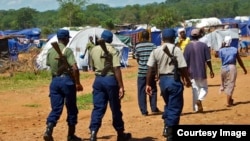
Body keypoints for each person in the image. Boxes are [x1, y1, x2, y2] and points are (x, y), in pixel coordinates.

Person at [146, 28, 191, 141]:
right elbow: (183, 67)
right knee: (175, 107)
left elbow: (150, 69)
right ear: (173, 38)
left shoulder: (156, 50)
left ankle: (167, 126)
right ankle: (170, 133)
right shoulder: (176, 50)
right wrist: (187, 79)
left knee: (169, 104)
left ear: (162, 38)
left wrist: (148, 84)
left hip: (163, 81)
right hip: (174, 80)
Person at [88, 30, 131, 141]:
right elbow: (116, 68)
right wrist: (121, 86)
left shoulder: (93, 50)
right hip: (110, 80)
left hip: (98, 80)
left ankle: (93, 133)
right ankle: (120, 134)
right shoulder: (113, 50)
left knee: (98, 108)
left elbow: (92, 67)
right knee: (115, 108)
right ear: (111, 39)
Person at [43, 29, 83, 141]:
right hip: (67, 81)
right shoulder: (67, 50)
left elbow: (50, 66)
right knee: (71, 108)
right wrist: (78, 83)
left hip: (55, 81)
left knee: (56, 109)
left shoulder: (50, 50)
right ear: (65, 39)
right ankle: (71, 135)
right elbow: (75, 68)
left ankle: (48, 130)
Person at [183, 28, 214, 113]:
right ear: (200, 36)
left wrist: (185, 75)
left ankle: (196, 108)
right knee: (204, 88)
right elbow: (208, 60)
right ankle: (199, 100)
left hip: (191, 72)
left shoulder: (187, 47)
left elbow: (185, 62)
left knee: (195, 90)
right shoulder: (204, 46)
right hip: (201, 70)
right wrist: (211, 70)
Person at [215, 36, 247, 107]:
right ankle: (228, 102)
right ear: (230, 41)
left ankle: (230, 99)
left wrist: (221, 46)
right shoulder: (234, 49)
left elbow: (216, 55)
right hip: (231, 67)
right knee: (231, 84)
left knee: (226, 83)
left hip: (223, 68)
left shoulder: (221, 50)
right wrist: (244, 68)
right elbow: (239, 60)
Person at [134, 30, 160, 116]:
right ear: (149, 36)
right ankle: (153, 108)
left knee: (141, 91)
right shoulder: (153, 46)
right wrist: (156, 73)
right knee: (153, 89)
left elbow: (137, 58)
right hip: (151, 71)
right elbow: (156, 60)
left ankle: (144, 111)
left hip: (141, 72)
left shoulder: (138, 46)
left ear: (141, 37)